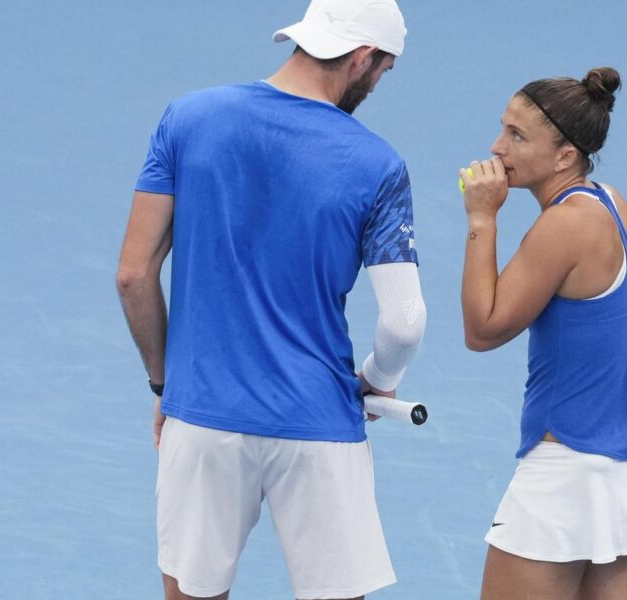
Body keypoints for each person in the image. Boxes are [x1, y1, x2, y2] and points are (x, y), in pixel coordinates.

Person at [115, 0, 426, 598]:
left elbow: (133, 275)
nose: (379, 83)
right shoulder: (379, 165)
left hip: (201, 414)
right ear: (362, 57)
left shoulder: (187, 118)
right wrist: (378, 380)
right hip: (319, 424)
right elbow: (405, 322)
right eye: (384, 69)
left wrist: (165, 383)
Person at [459, 67, 627, 600]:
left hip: (564, 479)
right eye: (503, 129)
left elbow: (483, 328)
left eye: (517, 136)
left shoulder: (562, 226)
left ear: (565, 156)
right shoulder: (617, 207)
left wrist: (482, 219)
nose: (498, 148)